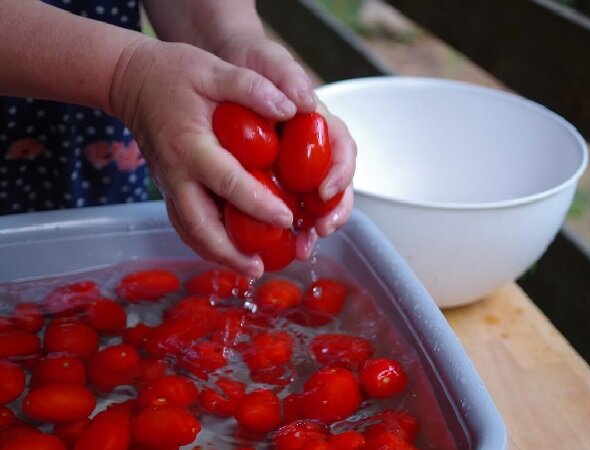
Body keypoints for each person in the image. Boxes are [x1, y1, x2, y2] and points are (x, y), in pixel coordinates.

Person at [0, 0, 356, 278]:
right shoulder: (127, 82)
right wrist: (124, 74)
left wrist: (227, 39)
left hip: (98, 160)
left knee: (100, 270)